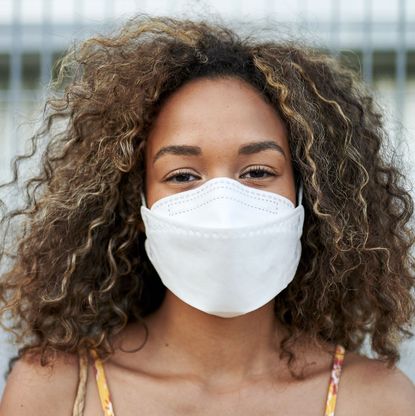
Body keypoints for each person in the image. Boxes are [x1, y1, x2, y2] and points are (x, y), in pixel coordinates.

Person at [0, 14, 414, 416]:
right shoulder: (55, 389)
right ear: (137, 203)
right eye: (182, 175)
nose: (223, 206)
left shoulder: (378, 400)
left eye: (258, 172)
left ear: (308, 194)